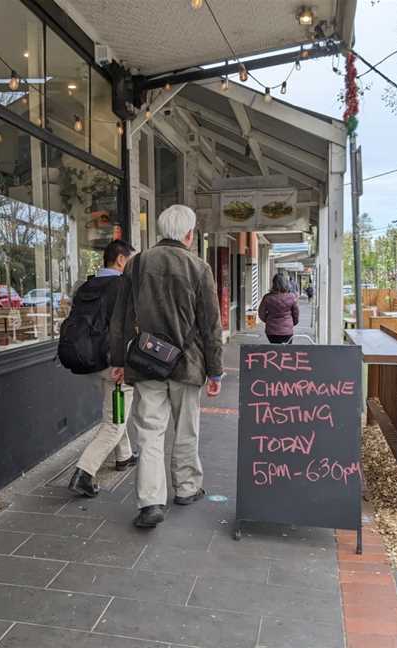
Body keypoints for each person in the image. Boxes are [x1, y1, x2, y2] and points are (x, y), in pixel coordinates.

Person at [110, 205, 223, 529]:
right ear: (189, 234)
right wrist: (215, 370)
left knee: (148, 433)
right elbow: (210, 325)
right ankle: (186, 488)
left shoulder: (138, 263)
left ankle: (150, 502)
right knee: (186, 429)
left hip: (147, 363)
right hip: (188, 364)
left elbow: (120, 318)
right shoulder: (199, 268)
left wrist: (118, 360)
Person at [67, 240, 138, 497]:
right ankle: (84, 473)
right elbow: (127, 328)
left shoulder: (87, 285)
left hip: (89, 361)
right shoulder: (122, 286)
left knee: (114, 412)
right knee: (114, 423)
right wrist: (123, 363)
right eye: (131, 259)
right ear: (121, 260)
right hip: (114, 365)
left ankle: (124, 456)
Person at [259, 274, 300, 344]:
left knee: (275, 349)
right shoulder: (292, 297)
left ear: (273, 283)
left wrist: (268, 320)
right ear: (286, 283)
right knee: (286, 351)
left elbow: (261, 313)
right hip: (287, 331)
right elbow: (296, 313)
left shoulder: (267, 297)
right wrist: (292, 323)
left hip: (271, 331)